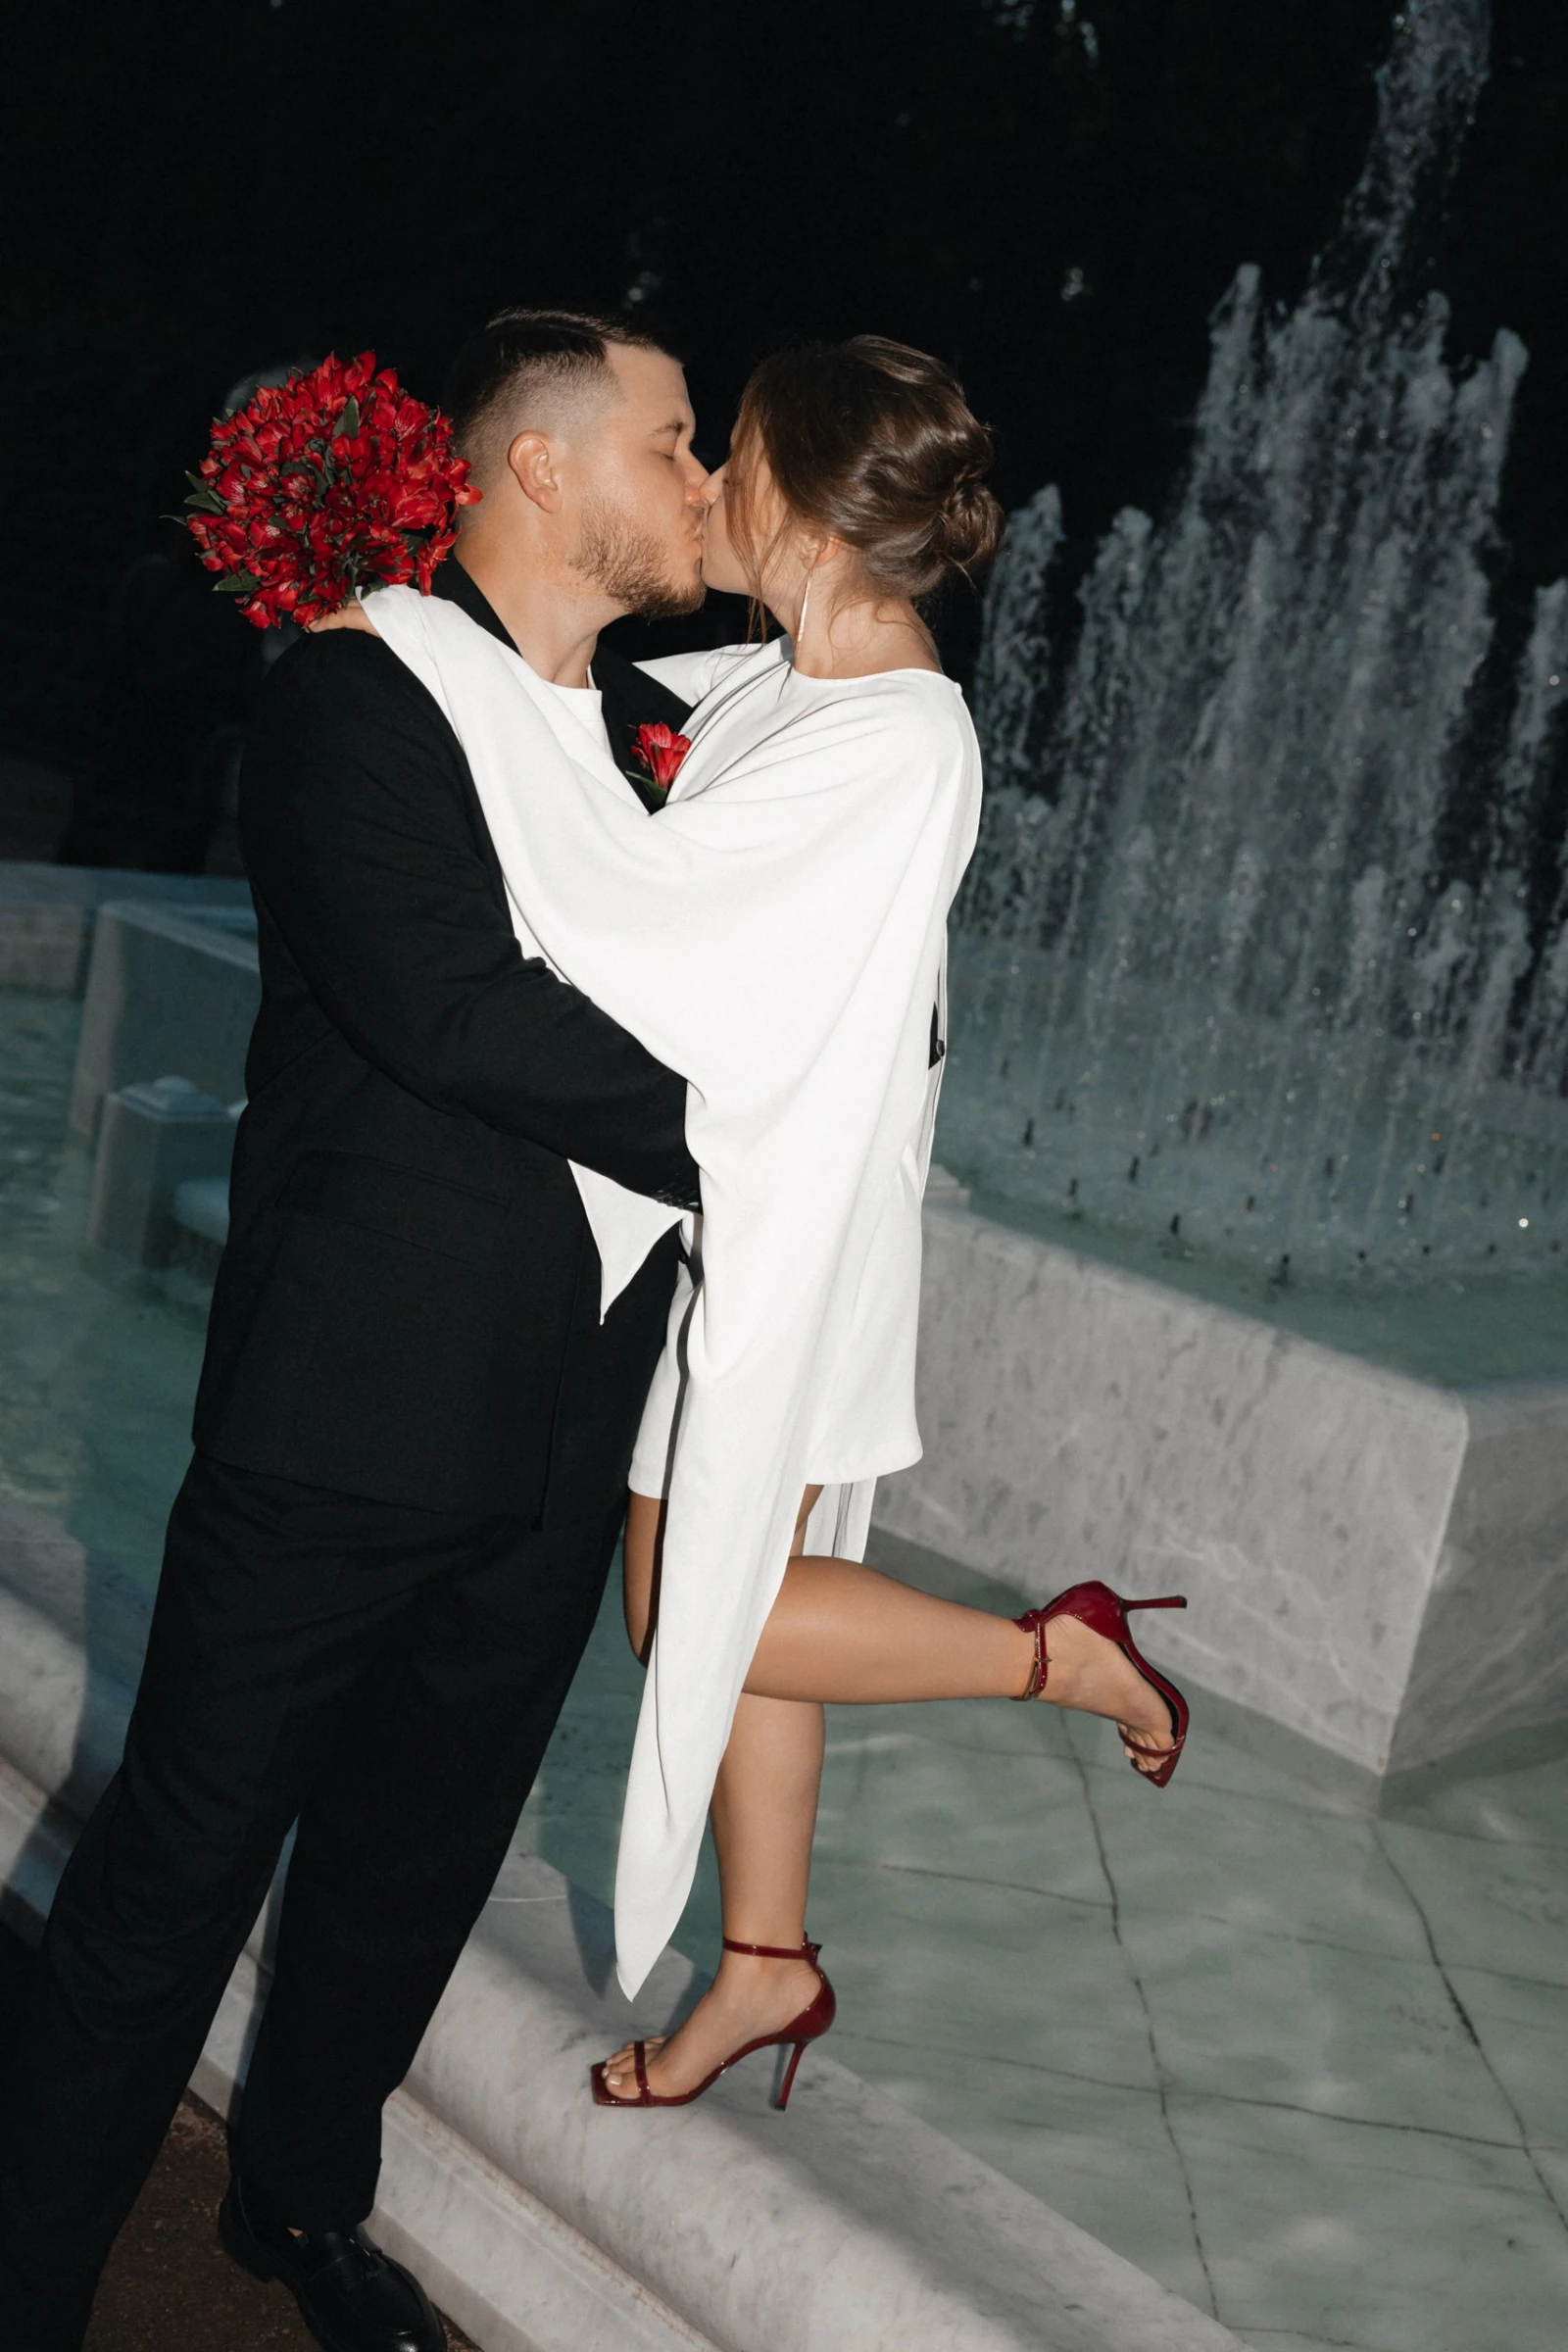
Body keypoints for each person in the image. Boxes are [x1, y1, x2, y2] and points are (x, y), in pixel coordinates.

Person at [334, 335, 1193, 2115]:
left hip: (802, 1234)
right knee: (745, 1575)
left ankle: (1059, 1655)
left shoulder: (898, 737)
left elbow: (635, 907)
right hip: (762, 1204)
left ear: (803, 513)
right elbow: (603, 735)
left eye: (728, 457)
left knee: (693, 1605)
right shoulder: (800, 679)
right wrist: (459, 617)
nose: (705, 487)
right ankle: (768, 1962)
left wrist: (417, 651)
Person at [0, 308, 712, 2352]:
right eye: (671, 441)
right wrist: (769, 1125)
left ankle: (298, 2203)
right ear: (540, 466)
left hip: (562, 1423)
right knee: (178, 1872)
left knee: (415, 1867)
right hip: (350, 1410)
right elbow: (450, 1012)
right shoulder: (354, 693)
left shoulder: (661, 729)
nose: (700, 481)